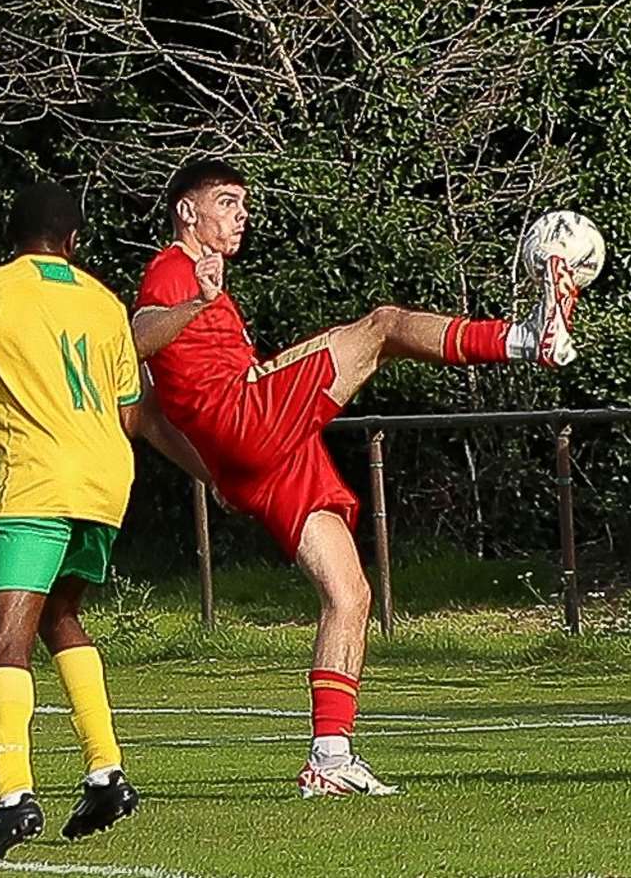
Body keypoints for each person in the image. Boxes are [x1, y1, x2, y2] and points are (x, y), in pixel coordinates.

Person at [130, 159, 581, 797]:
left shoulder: (203, 282)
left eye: (243, 204)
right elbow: (141, 334)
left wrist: (217, 476)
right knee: (384, 326)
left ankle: (330, 756)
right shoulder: (173, 268)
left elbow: (150, 418)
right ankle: (523, 338)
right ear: (186, 211)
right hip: (248, 413)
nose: (241, 215)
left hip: (257, 454)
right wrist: (197, 301)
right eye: (227, 202)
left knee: (351, 595)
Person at [0, 183, 206, 862]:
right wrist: (209, 471)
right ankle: (106, 773)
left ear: (9, 233)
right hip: (105, 483)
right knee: (60, 619)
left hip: (38, 482)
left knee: (5, 641)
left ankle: (14, 797)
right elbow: (132, 411)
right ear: (74, 241)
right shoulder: (103, 302)